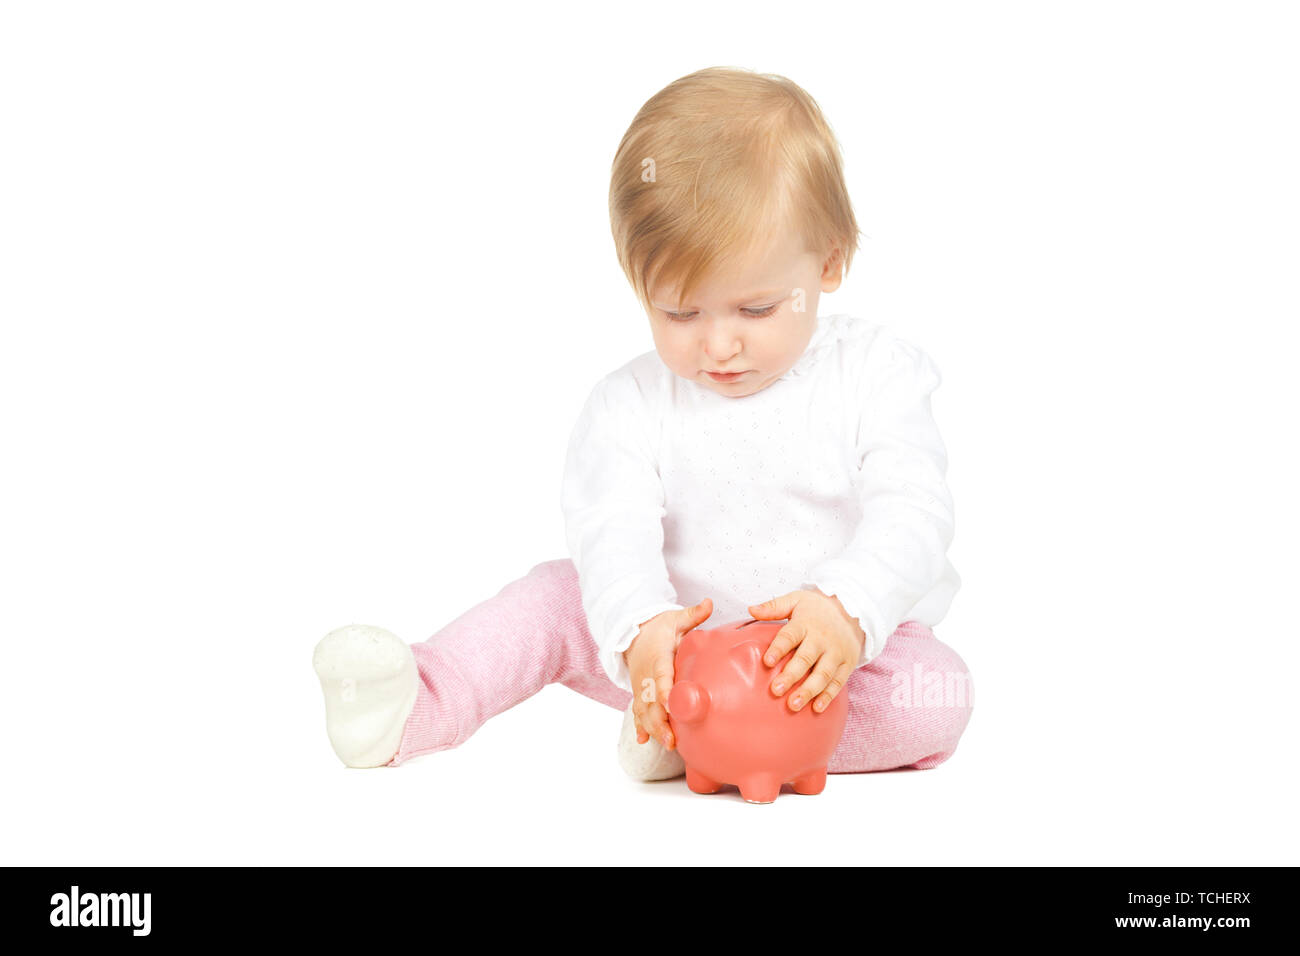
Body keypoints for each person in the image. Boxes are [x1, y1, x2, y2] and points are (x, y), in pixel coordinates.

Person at [312, 66, 974, 785]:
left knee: (932, 695)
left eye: (755, 310)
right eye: (680, 313)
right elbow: (612, 532)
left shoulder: (876, 373)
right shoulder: (628, 405)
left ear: (829, 263)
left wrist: (850, 607)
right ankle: (413, 703)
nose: (718, 346)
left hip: (820, 665)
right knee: (554, 596)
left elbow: (914, 511)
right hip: (673, 662)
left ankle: (699, 738)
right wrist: (639, 627)